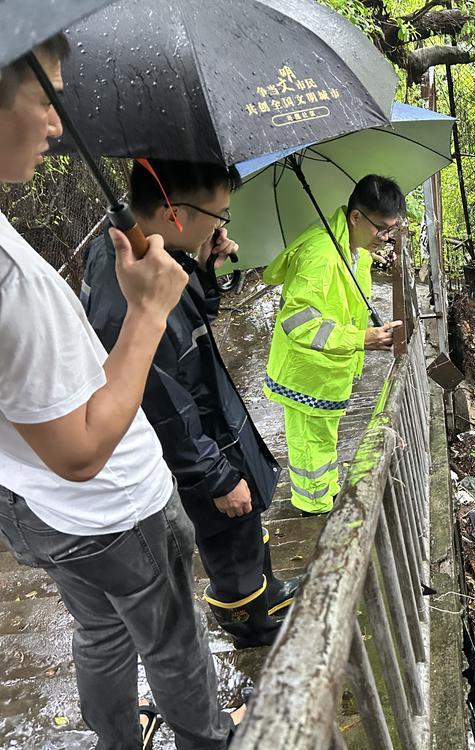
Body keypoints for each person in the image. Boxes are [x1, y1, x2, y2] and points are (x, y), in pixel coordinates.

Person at [0, 36, 234, 748]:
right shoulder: (8, 276)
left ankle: (115, 738)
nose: (55, 126)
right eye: (45, 100)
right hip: (111, 506)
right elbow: (79, 450)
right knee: (171, 639)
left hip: (33, 506)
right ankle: (207, 739)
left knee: (99, 627)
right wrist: (149, 312)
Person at [81, 158, 300, 648]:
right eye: (218, 214)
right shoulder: (126, 295)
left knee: (246, 520)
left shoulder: (147, 254)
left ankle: (267, 592)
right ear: (174, 210)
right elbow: (161, 404)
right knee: (229, 527)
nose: (224, 225)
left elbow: (190, 320)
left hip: (209, 417)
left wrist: (203, 264)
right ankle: (251, 623)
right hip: (193, 441)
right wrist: (215, 477)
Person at [263, 175, 404, 514]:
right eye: (382, 229)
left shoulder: (355, 252)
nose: (385, 239)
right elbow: (298, 321)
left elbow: (347, 306)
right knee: (308, 444)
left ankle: (325, 490)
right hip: (305, 372)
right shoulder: (321, 254)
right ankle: (313, 507)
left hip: (330, 370)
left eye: (391, 231)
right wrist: (361, 339)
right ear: (356, 217)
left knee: (323, 438)